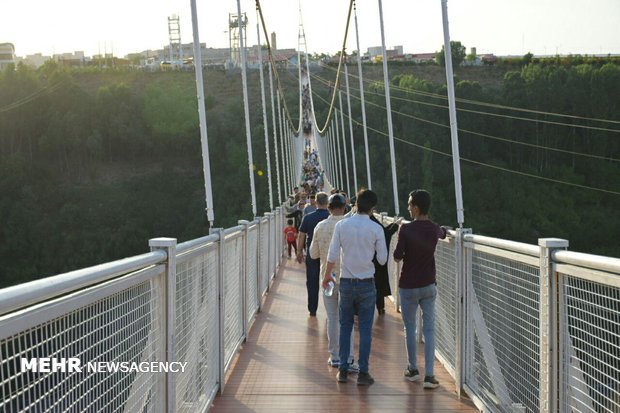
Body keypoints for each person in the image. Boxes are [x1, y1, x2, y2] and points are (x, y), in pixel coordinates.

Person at [321, 189, 387, 385]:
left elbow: (332, 255)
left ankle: (342, 370)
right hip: (367, 283)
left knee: (345, 326)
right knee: (365, 329)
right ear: (373, 208)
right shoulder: (376, 229)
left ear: (355, 204)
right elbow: (383, 260)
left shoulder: (342, 225)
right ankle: (363, 373)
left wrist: (326, 277)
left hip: (346, 283)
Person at [393, 189, 448, 390]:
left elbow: (397, 256)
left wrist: (400, 236)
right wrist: (444, 230)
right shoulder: (434, 229)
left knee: (410, 328)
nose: (408, 208)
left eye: (409, 205)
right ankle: (430, 376)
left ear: (415, 208)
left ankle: (413, 369)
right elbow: (442, 232)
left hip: (408, 286)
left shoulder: (406, 230)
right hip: (428, 285)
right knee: (429, 330)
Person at [309, 194, 358, 373]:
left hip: (328, 278)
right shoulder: (351, 226)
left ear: (328, 208)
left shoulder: (320, 227)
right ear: (344, 207)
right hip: (348, 277)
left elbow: (313, 254)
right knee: (347, 319)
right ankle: (349, 357)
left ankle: (334, 356)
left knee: (332, 317)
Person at [297, 192, 330, 316]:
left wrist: (299, 251)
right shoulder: (330, 217)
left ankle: (312, 309)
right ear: (327, 202)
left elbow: (301, 235)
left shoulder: (308, 217)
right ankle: (330, 308)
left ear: (315, 202)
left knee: (312, 281)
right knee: (330, 279)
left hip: (311, 252)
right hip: (328, 252)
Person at [369, 214, 401, 314]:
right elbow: (385, 233)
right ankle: (380, 307)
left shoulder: (354, 221)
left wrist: (393, 224)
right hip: (375, 259)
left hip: (361, 260)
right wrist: (395, 225)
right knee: (378, 281)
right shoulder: (372, 221)